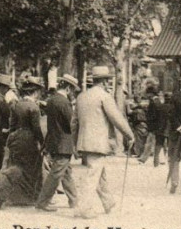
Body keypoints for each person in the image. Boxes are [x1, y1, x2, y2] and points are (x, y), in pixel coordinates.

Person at [71, 66, 135, 218]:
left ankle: (108, 203)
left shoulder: (81, 97)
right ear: (105, 81)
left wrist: (75, 143)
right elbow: (116, 118)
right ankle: (84, 209)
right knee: (93, 174)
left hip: (84, 142)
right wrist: (130, 135)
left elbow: (74, 123)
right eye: (107, 81)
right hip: (97, 143)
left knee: (99, 173)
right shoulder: (104, 97)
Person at [36, 74, 80, 212]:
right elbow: (71, 123)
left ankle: (74, 201)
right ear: (68, 88)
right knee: (55, 174)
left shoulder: (51, 100)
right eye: (72, 90)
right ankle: (42, 202)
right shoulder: (64, 102)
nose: (72, 94)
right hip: (64, 143)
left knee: (65, 173)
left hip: (54, 141)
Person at [2, 77, 46, 205]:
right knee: (31, 168)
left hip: (16, 138)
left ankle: (14, 196)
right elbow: (36, 128)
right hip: (29, 139)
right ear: (35, 92)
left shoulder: (17, 105)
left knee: (17, 166)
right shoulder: (34, 107)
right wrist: (42, 142)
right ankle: (29, 198)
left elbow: (12, 125)